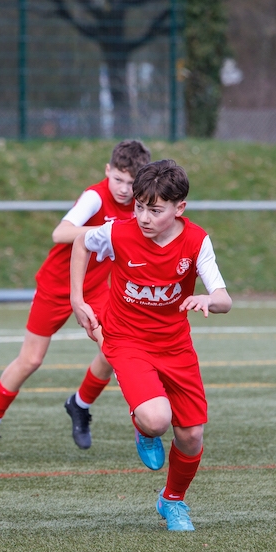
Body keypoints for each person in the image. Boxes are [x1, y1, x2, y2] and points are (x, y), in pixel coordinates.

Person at [71, 159, 231, 531]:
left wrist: (209, 300)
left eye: (155, 210)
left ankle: (171, 501)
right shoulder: (118, 232)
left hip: (175, 345)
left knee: (191, 435)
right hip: (126, 340)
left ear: (179, 208)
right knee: (157, 420)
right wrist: (77, 299)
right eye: (139, 206)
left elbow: (224, 299)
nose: (143, 217)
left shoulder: (196, 241)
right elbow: (80, 241)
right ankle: (143, 426)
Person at [0, 140, 150, 460]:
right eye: (118, 179)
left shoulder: (140, 205)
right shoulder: (95, 197)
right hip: (56, 286)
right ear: (107, 171)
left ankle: (81, 404)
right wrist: (106, 230)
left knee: (114, 350)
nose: (124, 189)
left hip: (95, 288)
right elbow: (60, 233)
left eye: (131, 182)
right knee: (31, 360)